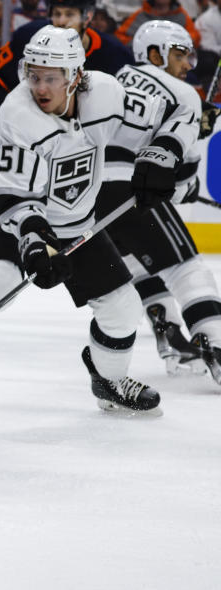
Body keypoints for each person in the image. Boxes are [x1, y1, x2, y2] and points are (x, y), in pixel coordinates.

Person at [0, 25, 198, 413]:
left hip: (72, 220)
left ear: (76, 77)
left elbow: (179, 111)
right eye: (33, 76)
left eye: (51, 78)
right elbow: (16, 198)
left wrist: (166, 152)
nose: (40, 87)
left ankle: (108, 379)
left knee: (123, 310)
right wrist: (36, 241)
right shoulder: (18, 115)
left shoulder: (105, 94)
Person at [102, 20, 221, 383]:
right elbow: (178, 178)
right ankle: (216, 344)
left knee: (138, 261)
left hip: (83, 199)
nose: (188, 65)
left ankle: (167, 330)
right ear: (155, 53)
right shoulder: (182, 95)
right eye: (180, 54)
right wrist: (199, 134)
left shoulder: (109, 79)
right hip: (130, 188)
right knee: (184, 266)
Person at [0, 0, 132, 116]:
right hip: (24, 134)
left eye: (69, 14)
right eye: (57, 14)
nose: (61, 22)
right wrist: (23, 114)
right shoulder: (29, 38)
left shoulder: (116, 55)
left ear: (87, 18)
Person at [116, 0, 201, 48]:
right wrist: (141, 44)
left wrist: (177, 42)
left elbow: (194, 37)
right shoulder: (140, 14)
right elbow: (120, 37)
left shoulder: (181, 15)